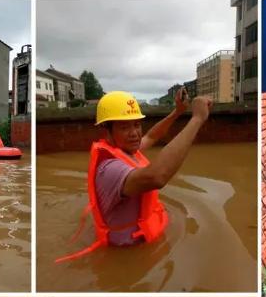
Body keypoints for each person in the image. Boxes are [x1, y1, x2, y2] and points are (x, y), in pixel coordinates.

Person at [56, 89, 212, 261]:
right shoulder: (109, 169)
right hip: (125, 255)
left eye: (136, 125)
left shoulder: (125, 149)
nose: (134, 133)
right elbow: (157, 176)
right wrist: (197, 119)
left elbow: (152, 136)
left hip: (142, 244)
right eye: (124, 127)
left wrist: (178, 112)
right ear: (106, 130)